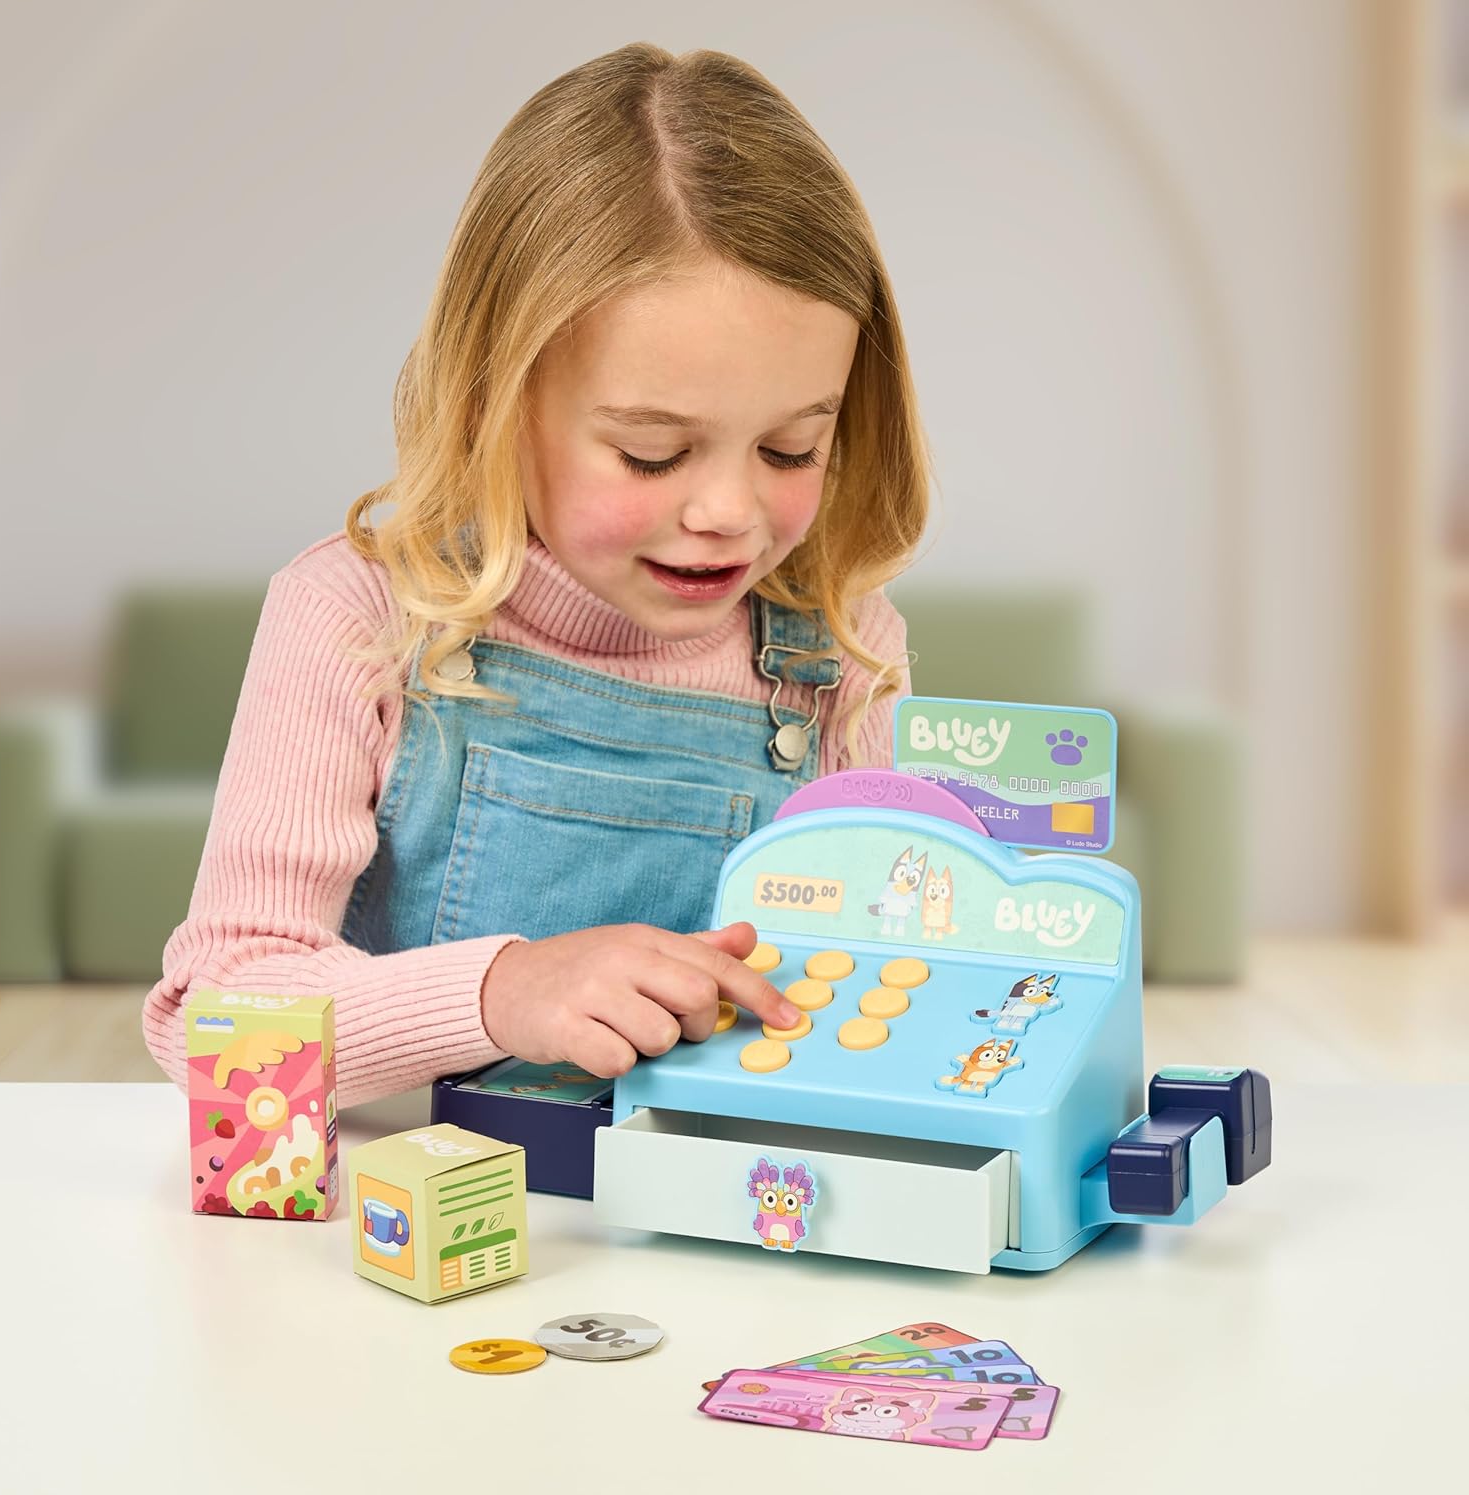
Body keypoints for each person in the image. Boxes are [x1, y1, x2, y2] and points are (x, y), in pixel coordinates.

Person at [142, 42, 930, 1107]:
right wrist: (499, 992)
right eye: (652, 453)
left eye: (791, 450)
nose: (729, 513)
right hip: (406, 1202)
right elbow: (215, 1017)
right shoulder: (357, 618)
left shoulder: (844, 648)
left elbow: (883, 999)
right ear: (492, 405)